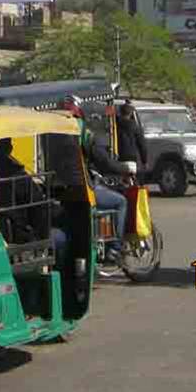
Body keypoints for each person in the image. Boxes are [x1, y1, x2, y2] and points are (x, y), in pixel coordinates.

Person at [65, 100, 135, 269]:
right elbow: (103, 161)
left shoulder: (54, 129)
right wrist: (124, 168)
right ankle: (115, 250)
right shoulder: (82, 131)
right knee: (120, 202)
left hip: (60, 191)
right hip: (83, 190)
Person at [115, 102, 149, 179]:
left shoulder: (115, 126)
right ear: (131, 114)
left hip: (117, 159)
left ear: (120, 112)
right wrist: (144, 161)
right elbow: (142, 145)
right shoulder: (136, 128)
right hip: (132, 160)